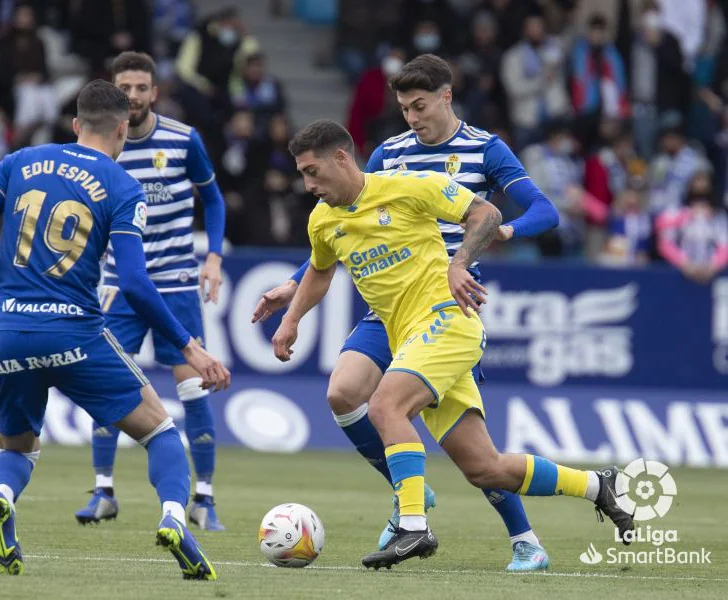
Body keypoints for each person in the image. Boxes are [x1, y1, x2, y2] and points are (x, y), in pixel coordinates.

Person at [271, 119, 634, 570]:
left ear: (342, 158)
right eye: (302, 174)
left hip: (448, 320)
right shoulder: (323, 221)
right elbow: (320, 272)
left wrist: (459, 262)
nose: (307, 184)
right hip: (408, 336)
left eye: (312, 171)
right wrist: (290, 321)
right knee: (486, 467)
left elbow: (486, 214)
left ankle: (412, 524)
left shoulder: (411, 186)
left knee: (386, 406)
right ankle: (598, 486)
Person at [252, 54, 560, 572]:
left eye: (420, 106)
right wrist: (293, 283)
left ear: (446, 96)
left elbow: (544, 211)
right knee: (343, 392)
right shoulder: (390, 153)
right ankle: (409, 495)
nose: (412, 118)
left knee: (470, 446)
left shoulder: (486, 148)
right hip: (390, 302)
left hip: (450, 297)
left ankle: (523, 538)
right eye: (404, 109)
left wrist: (498, 234)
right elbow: (343, 215)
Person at [0, 79, 229, 579]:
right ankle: (172, 519)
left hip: (9, 332)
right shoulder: (124, 186)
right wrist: (191, 345)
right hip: (75, 332)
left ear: (76, 124)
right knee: (161, 431)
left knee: (15, 450)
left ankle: (1, 497)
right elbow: (137, 286)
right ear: (123, 129)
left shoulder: (18, 162)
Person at [74, 52, 228, 532]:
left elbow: (214, 198)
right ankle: (103, 491)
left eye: (142, 88)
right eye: (126, 88)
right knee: (106, 386)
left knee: (192, 387)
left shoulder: (184, 140)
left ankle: (204, 499)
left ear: (154, 92)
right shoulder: (99, 147)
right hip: (120, 287)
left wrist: (215, 257)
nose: (135, 97)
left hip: (177, 283)